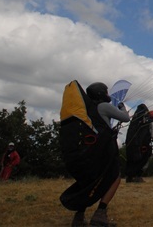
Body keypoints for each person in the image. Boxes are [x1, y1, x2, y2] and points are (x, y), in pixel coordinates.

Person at [61, 81, 130, 227]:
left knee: (88, 183)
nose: (107, 94)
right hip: (101, 153)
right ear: (100, 94)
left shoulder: (86, 110)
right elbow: (125, 118)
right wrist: (122, 107)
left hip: (86, 154)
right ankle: (100, 213)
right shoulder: (103, 106)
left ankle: (78, 218)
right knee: (115, 177)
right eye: (105, 91)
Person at [125, 105, 153, 183]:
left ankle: (129, 177)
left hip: (133, 144)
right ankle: (138, 177)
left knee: (132, 160)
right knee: (143, 160)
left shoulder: (139, 122)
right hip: (144, 146)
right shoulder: (152, 123)